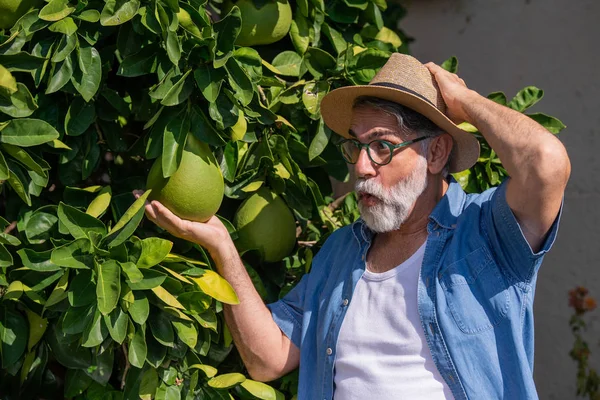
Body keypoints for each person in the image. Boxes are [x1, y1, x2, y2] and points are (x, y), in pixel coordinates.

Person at [140, 53, 570, 399]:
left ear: (437, 153)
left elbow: (547, 164)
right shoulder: (341, 252)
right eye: (356, 146)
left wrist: (463, 103)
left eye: (382, 146)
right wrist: (222, 248)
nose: (362, 167)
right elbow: (267, 358)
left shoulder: (484, 234)